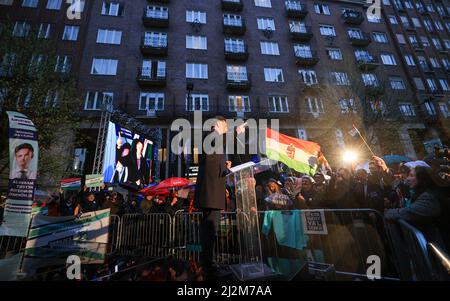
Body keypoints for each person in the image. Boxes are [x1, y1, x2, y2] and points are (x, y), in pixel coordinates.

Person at [194, 116, 245, 278]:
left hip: (212, 192)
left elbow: (212, 161)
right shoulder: (211, 136)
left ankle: (209, 264)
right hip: (210, 193)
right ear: (218, 125)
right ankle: (208, 267)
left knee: (210, 231)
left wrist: (225, 167)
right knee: (209, 231)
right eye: (225, 126)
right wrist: (236, 133)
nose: (226, 129)